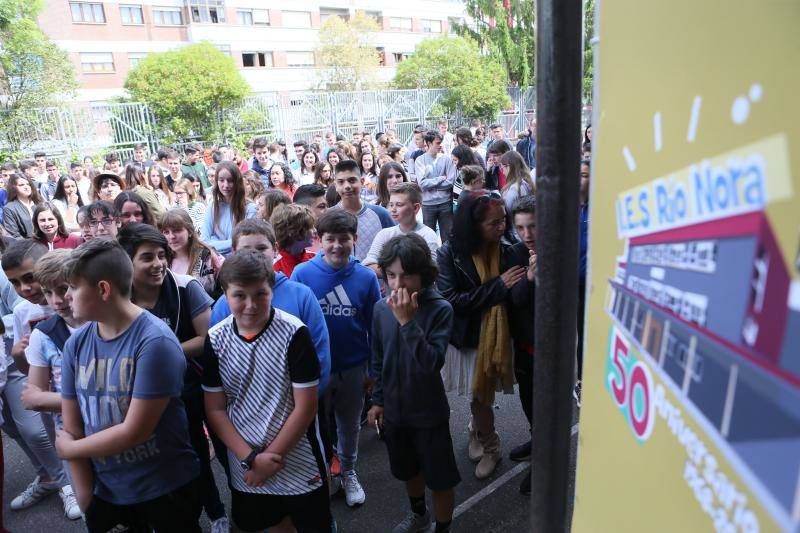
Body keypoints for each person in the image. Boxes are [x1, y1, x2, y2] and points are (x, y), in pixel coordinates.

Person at [56, 238, 202, 531]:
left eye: (72, 287)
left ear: (103, 289)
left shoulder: (154, 341)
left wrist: (70, 450)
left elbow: (135, 431)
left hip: (164, 491)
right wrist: (87, 500)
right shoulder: (76, 344)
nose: (65, 297)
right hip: (106, 492)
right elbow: (72, 426)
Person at [203, 250, 330, 532]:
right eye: (239, 295)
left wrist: (270, 457)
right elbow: (214, 408)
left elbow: (306, 407)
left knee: (313, 523)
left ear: (271, 289)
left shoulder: (295, 333)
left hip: (297, 455)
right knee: (269, 525)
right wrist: (252, 459)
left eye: (260, 294)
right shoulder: (215, 339)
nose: (250, 304)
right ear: (224, 293)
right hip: (245, 458)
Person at [116, 223, 228, 531]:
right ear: (127, 262)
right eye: (147, 257)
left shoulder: (184, 286)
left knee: (223, 450)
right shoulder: (120, 297)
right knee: (190, 460)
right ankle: (210, 511)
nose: (159, 264)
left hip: (198, 387)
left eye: (162, 255)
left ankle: (224, 513)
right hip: (159, 397)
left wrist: (164, 352)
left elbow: (208, 338)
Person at [368, 234, 459, 533]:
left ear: (424, 274)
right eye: (391, 275)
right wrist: (378, 400)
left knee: (441, 477)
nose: (397, 285)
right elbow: (378, 358)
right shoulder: (382, 309)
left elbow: (432, 363)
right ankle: (419, 513)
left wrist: (408, 322)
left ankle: (443, 526)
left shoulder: (439, 308)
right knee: (409, 469)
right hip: (396, 410)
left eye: (406, 275)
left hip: (428, 412)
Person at [291, 209, 381, 508]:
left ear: (355, 239)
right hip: (314, 370)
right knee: (312, 424)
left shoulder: (366, 277)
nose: (337, 246)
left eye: (344, 239)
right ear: (319, 240)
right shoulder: (303, 274)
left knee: (349, 425)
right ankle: (320, 473)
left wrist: (371, 369)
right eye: (330, 239)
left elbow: (373, 326)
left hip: (353, 366)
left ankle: (348, 470)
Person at [436, 191, 522, 479]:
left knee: (479, 397)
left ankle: (483, 437)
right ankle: (490, 443)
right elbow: (451, 299)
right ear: (474, 226)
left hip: (498, 334)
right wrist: (498, 287)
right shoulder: (449, 252)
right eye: (493, 224)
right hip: (468, 336)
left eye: (504, 221)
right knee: (478, 395)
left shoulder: (509, 246)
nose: (502, 228)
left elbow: (519, 293)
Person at [1, 241, 74, 518]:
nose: (24, 289)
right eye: (14, 283)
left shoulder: (72, 301)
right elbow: (26, 368)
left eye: (29, 278)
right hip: (49, 398)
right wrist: (19, 354)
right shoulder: (22, 312)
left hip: (83, 392)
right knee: (58, 440)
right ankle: (68, 486)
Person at [20, 249, 85, 519]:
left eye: (63, 289)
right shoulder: (43, 336)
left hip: (115, 428)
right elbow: (32, 398)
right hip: (71, 434)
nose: (57, 301)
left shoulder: (106, 322)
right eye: (48, 293)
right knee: (92, 508)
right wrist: (89, 396)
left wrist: (58, 398)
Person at [507, 195, 538, 494]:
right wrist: (528, 278)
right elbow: (514, 302)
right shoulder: (515, 253)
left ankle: (543, 465)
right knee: (528, 401)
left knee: (547, 408)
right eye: (520, 228)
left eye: (533, 226)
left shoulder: (559, 252)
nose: (527, 235)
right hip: (524, 346)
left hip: (551, 350)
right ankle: (535, 439)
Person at [364, 183, 440, 275]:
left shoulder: (427, 235)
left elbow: (431, 272)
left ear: (415, 208)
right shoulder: (384, 234)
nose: (393, 209)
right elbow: (368, 265)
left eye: (399, 205)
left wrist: (389, 271)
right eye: (391, 205)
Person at [331, 159, 394, 261]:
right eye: (341, 182)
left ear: (362, 182)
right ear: (336, 186)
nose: (347, 186)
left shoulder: (381, 214)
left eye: (352, 180)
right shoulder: (328, 217)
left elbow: (395, 248)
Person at [161, 209, 222, 298]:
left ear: (189, 231)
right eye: (166, 232)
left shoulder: (208, 257)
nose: (171, 236)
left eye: (177, 231)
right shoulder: (162, 259)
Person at [201, 161, 256, 256]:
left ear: (237, 182)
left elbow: (244, 243)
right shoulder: (213, 206)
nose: (225, 185)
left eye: (230, 180)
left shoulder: (250, 208)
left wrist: (214, 241)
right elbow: (204, 241)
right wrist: (231, 243)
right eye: (221, 180)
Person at [415, 132, 457, 243]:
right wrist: (440, 179)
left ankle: (447, 260)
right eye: (438, 143)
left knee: (447, 237)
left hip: (445, 203)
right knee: (429, 238)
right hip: (428, 204)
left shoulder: (446, 159)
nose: (441, 145)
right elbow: (422, 184)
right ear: (429, 143)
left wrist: (432, 184)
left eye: (441, 142)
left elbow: (450, 182)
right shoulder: (420, 160)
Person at [575, 159, 591, 407]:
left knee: (589, 331)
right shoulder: (564, 207)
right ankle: (580, 380)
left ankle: (587, 380)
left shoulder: (598, 209)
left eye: (586, 174)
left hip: (592, 283)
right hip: (570, 283)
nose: (580, 179)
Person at [270, 204, 316, 278]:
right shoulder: (274, 268)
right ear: (293, 232)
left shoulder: (315, 257)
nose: (315, 231)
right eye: (310, 227)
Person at [4, 173, 41, 238]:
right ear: (13, 188)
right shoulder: (9, 208)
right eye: (21, 185)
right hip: (26, 246)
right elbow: (14, 235)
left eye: (28, 184)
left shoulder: (39, 203)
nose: (26, 187)